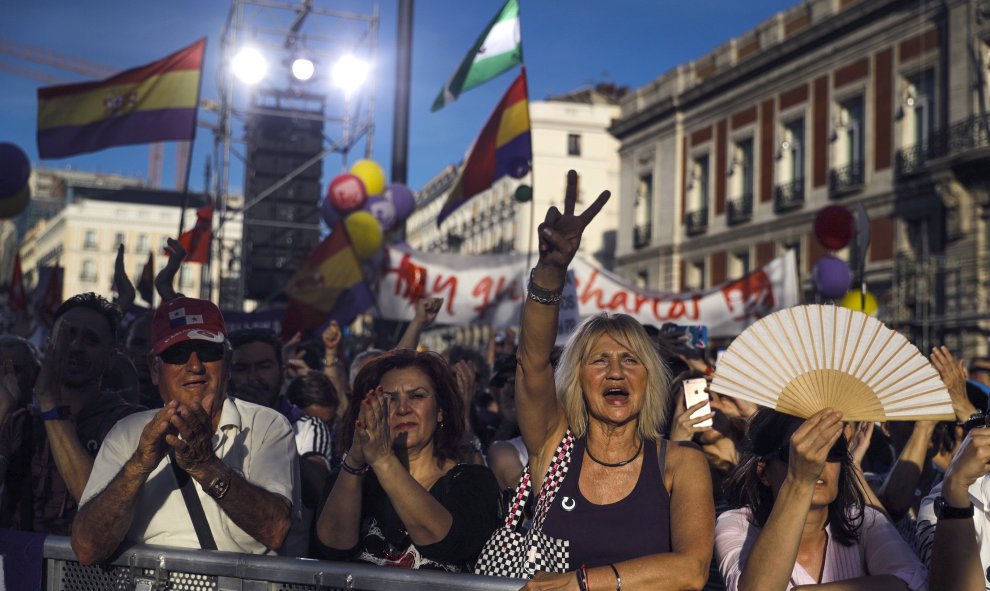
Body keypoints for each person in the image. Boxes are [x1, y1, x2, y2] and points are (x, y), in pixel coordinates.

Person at [509, 170, 714, 589]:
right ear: (577, 378)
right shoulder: (553, 449)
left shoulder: (680, 463)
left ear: (650, 378)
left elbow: (691, 571)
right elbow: (532, 363)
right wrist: (550, 271)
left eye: (630, 360)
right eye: (599, 361)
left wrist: (580, 584)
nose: (616, 371)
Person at [70, 296, 299, 562]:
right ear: (155, 370)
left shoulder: (267, 425)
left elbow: (275, 531)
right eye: (177, 355)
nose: (194, 366)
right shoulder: (127, 433)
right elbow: (87, 549)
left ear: (226, 362)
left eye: (207, 352)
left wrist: (206, 467)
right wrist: (139, 465)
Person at [315, 348, 503, 571]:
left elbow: (446, 543)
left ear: (441, 410)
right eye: (390, 399)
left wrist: (384, 460)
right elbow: (333, 547)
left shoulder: (473, 482)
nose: (403, 409)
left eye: (417, 396)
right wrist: (355, 461)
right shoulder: (350, 477)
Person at [716, 408, 928, 591]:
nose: (817, 463)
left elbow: (913, 582)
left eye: (832, 450)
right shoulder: (738, 525)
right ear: (763, 472)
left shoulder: (864, 520)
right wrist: (799, 482)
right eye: (797, 453)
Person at [0, 293, 143, 534]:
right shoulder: (19, 422)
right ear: (48, 346)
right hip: (18, 569)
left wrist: (50, 405)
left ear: (111, 358)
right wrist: (2, 411)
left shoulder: (130, 425)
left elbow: (102, 516)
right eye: (67, 336)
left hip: (88, 572)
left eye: (91, 340)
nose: (75, 347)